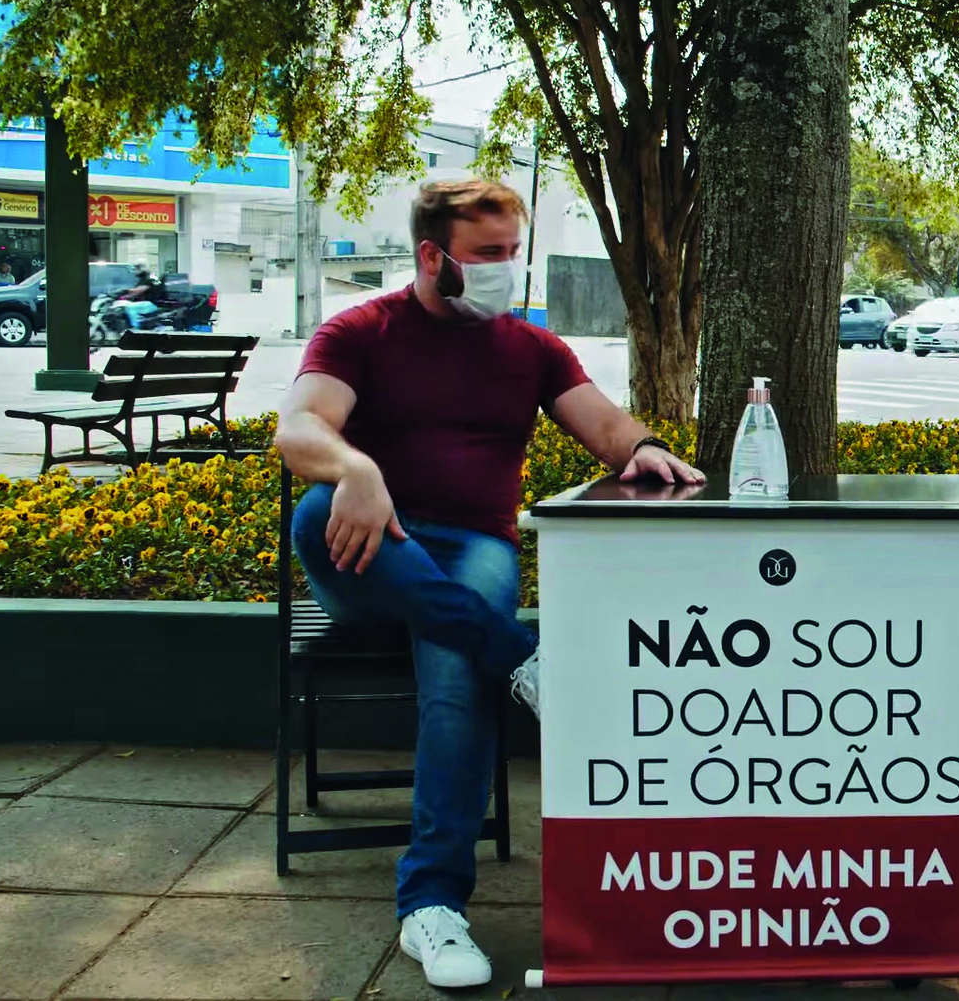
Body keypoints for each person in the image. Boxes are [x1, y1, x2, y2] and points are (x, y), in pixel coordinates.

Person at [274, 179, 704, 988]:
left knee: (457, 675)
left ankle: (430, 905)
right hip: (368, 549)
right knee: (321, 508)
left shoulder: (529, 348)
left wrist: (640, 448)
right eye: (489, 256)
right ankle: (520, 653)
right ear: (433, 256)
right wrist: (356, 467)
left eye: (514, 252)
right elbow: (298, 428)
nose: (509, 270)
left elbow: (607, 427)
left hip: (472, 549)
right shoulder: (360, 330)